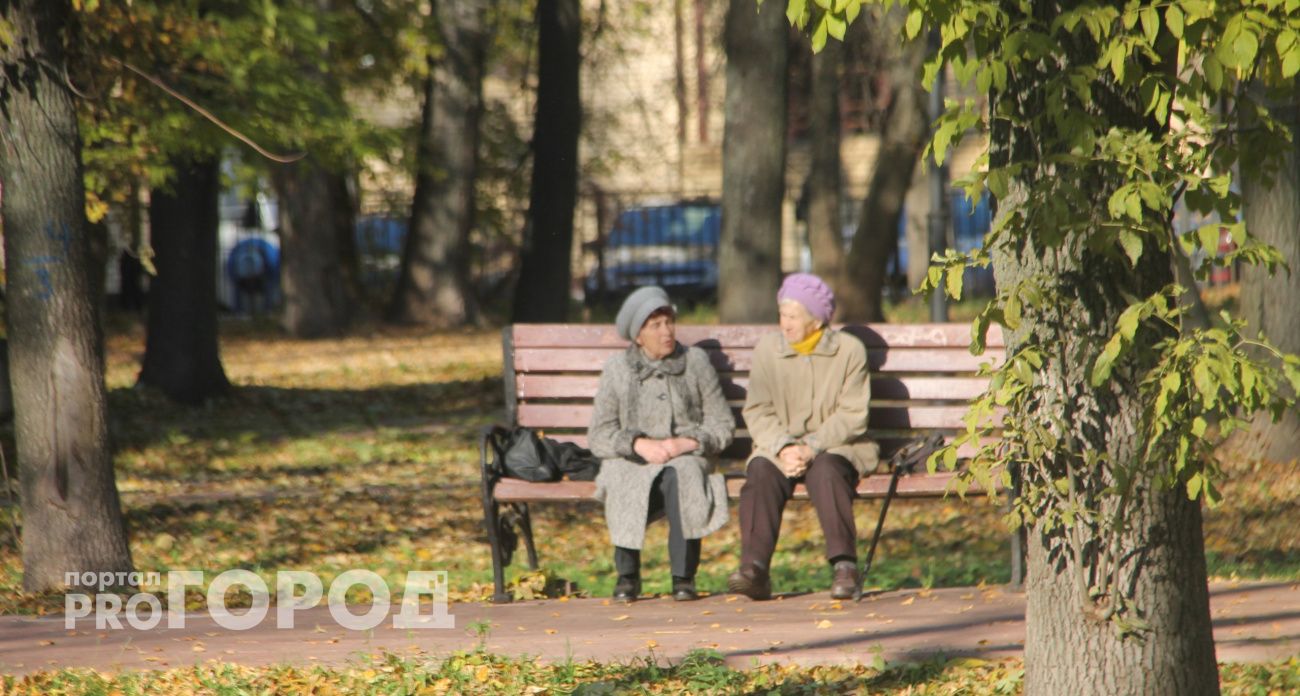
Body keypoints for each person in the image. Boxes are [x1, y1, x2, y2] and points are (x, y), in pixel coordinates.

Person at [727, 273, 880, 600]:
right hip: (779, 447)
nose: (784, 323)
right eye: (782, 314)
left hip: (836, 445)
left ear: (817, 320)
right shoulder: (768, 350)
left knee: (827, 471)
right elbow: (758, 410)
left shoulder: (848, 351)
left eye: (793, 316)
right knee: (760, 472)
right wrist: (784, 447)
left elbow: (852, 414)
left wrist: (811, 447)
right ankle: (754, 569)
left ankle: (844, 566)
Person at [588, 286, 734, 602]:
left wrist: (688, 442)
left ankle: (683, 577)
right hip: (634, 457)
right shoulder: (618, 369)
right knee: (621, 474)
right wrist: (638, 444)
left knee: (683, 474)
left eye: (669, 322)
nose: (666, 331)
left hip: (686, 453)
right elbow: (599, 435)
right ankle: (627, 576)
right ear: (638, 336)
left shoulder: (695, 362)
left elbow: (722, 424)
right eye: (655, 325)